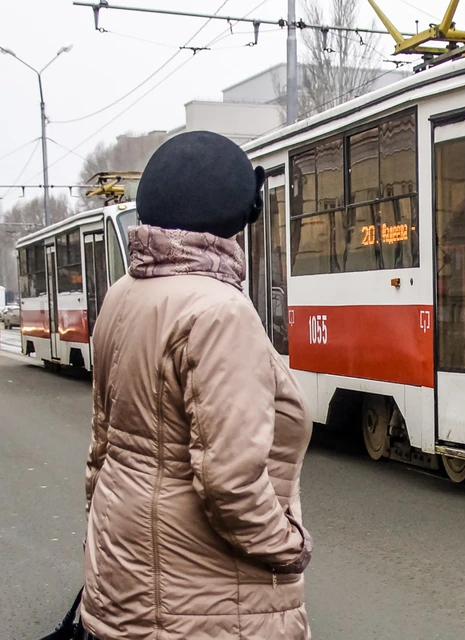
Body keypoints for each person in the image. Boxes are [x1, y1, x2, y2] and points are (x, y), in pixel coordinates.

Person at [80, 131, 313, 640]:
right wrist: (288, 546)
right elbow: (231, 483)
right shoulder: (219, 312)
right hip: (204, 596)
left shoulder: (123, 295)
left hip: (124, 568)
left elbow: (102, 446)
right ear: (239, 212)